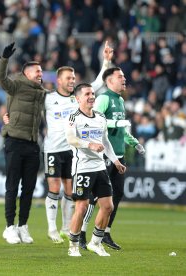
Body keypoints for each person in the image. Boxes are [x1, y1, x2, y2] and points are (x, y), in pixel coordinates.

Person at [43, 41, 114, 244]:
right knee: (54, 187)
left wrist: (106, 61)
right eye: (68, 78)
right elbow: (28, 106)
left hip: (73, 151)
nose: (72, 81)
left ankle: (66, 226)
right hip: (53, 148)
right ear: (58, 80)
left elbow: (99, 82)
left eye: (74, 78)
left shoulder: (78, 98)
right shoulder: (48, 98)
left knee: (69, 191)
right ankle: (51, 229)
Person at [79, 67, 145, 250]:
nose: (124, 79)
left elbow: (121, 131)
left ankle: (105, 232)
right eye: (120, 76)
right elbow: (95, 121)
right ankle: (82, 234)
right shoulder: (103, 98)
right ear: (109, 81)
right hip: (103, 155)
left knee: (117, 194)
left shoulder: (121, 100)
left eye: (124, 75)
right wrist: (117, 122)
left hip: (119, 155)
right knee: (94, 196)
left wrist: (134, 143)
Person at [66, 83, 126, 257]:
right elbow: (71, 139)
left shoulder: (100, 117)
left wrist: (115, 161)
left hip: (100, 167)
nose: (91, 96)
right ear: (78, 98)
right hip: (82, 167)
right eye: (87, 94)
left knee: (108, 206)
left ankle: (95, 243)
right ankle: (73, 246)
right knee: (82, 207)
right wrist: (89, 144)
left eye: (92, 93)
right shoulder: (73, 117)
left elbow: (105, 142)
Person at [0, 42, 45, 244]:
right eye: (37, 70)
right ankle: (9, 227)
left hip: (33, 143)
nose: (41, 73)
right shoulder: (16, 84)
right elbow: (0, 78)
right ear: (26, 73)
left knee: (29, 188)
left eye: (41, 71)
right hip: (14, 141)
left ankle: (23, 226)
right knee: (12, 186)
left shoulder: (41, 92)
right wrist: (4, 58)